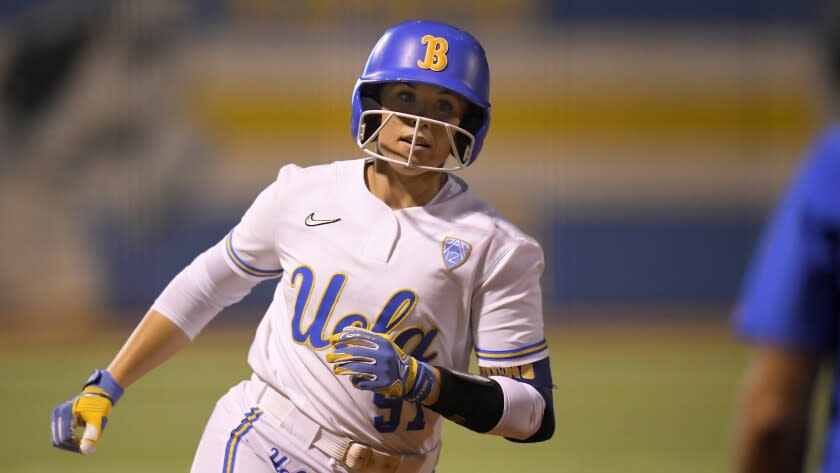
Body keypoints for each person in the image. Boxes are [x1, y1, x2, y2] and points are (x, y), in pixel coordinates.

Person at [49, 20, 555, 473]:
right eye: (406, 97)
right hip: (266, 441)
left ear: (467, 127)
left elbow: (531, 414)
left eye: (443, 106)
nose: (420, 124)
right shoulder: (302, 194)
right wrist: (108, 384)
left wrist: (425, 382)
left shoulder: (497, 247)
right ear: (374, 104)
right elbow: (205, 287)